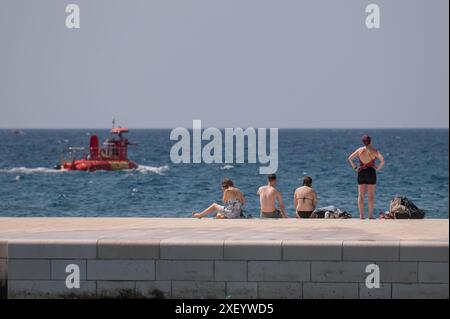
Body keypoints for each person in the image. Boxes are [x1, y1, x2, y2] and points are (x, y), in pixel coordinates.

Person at [348, 135, 385, 219]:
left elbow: (350, 158)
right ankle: (370, 215)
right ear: (370, 141)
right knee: (371, 195)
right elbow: (383, 160)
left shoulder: (360, 150)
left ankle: (361, 216)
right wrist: (377, 168)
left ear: (363, 142)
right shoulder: (374, 151)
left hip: (361, 171)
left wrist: (355, 167)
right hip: (371, 172)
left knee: (360, 195)